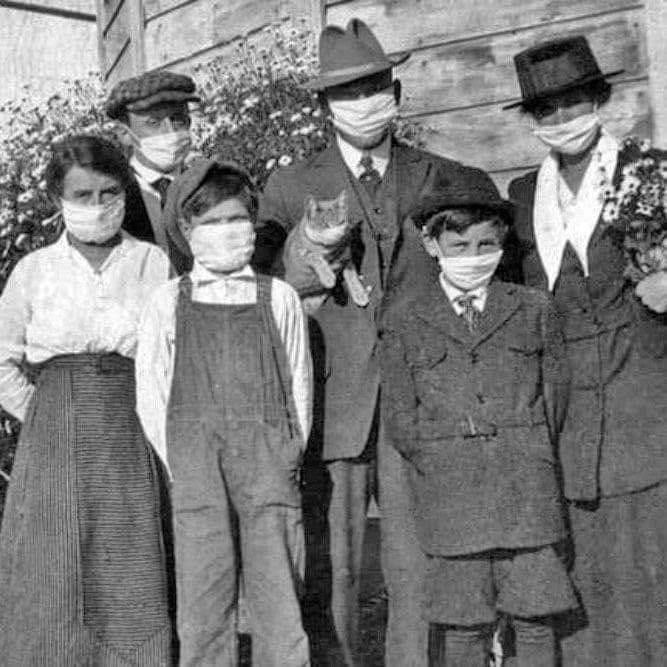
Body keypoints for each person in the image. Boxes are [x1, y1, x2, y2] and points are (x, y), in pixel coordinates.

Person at [258, 18, 499, 666]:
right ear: (323, 107)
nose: (364, 104)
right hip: (337, 405)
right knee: (332, 569)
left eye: (374, 89)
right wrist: (309, 252)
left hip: (422, 402)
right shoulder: (288, 187)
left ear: (395, 93)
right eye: (347, 93)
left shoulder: (447, 177)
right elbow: (265, 288)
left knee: (416, 564)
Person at [505, 36, 667, 665]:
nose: (563, 119)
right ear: (532, 122)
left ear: (600, 99)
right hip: (567, 406)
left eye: (575, 102)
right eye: (546, 110)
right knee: (586, 562)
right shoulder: (523, 196)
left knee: (651, 557)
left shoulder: (649, 170)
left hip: (644, 391)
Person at [380, 173, 576, 667]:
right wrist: (442, 454)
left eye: (486, 243)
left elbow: (556, 398)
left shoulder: (533, 308)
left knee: (534, 619)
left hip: (526, 493)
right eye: (459, 244)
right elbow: (402, 416)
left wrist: (522, 446)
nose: (474, 255)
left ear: (502, 243)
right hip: (453, 499)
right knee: (463, 625)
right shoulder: (407, 320)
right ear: (432, 244)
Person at [0, 134, 173, 665]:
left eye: (108, 192)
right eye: (82, 195)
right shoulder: (35, 270)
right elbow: (1, 358)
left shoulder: (151, 263)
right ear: (58, 199)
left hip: (129, 425)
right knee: (54, 559)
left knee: (126, 558)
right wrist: (44, 413)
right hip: (53, 429)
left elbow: (168, 355)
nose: (97, 206)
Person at [135, 158, 312, 667]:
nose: (226, 232)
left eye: (237, 220)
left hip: (267, 465)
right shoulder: (167, 302)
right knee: (204, 599)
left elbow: (299, 387)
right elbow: (152, 393)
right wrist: (182, 464)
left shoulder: (278, 297)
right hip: (196, 469)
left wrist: (285, 454)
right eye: (211, 223)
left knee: (278, 594)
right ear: (187, 230)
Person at [105, 70, 199, 274]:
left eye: (178, 119)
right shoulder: (111, 198)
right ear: (124, 134)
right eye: (153, 123)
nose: (170, 132)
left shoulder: (209, 183)